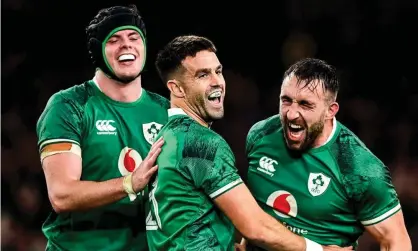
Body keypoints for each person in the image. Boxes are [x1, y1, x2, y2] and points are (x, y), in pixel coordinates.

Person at [145, 35, 353, 251]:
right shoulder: (201, 143)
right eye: (203, 75)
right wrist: (319, 249)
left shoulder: (166, 135)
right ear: (177, 89)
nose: (217, 81)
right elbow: (255, 227)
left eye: (218, 71)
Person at [36, 5, 170, 251]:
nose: (126, 45)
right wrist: (130, 183)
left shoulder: (167, 111)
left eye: (134, 38)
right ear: (98, 53)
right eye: (114, 40)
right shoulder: (69, 105)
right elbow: (61, 195)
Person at [244, 58, 412, 250]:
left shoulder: (360, 168)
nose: (291, 114)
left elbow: (395, 241)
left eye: (305, 104)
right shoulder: (261, 135)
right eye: (286, 100)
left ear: (330, 111)